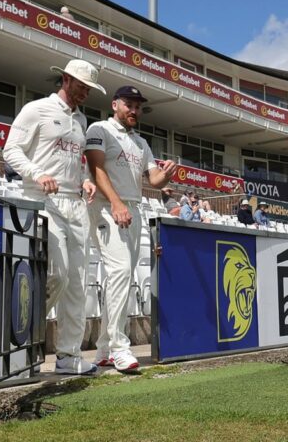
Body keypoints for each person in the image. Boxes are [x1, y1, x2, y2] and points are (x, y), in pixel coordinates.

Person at [2, 59, 105, 375]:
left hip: (75, 205)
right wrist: (37, 172)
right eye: (81, 85)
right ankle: (19, 341)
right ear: (66, 79)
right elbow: (10, 150)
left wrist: (86, 178)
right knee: (56, 276)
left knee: (77, 283)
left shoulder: (81, 120)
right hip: (43, 200)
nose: (85, 92)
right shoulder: (36, 110)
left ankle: (68, 356)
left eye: (89, 88)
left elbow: (76, 162)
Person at [86, 85, 177, 371]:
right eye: (129, 105)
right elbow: (96, 169)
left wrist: (167, 173)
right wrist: (115, 203)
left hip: (134, 208)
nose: (134, 111)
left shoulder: (141, 142)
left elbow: (154, 180)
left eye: (138, 107)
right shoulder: (99, 129)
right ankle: (119, 347)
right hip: (107, 206)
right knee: (121, 272)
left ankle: (102, 349)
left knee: (121, 278)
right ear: (115, 104)